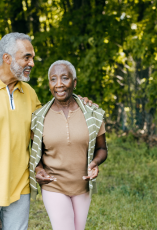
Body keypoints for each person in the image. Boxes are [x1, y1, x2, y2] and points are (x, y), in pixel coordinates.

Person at [0, 33, 95, 230]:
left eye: (32, 57)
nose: (32, 63)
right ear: (7, 58)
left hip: (20, 188)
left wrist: (80, 107)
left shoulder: (29, 92)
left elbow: (46, 133)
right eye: (27, 57)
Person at [29, 60, 108, 230]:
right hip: (53, 185)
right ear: (49, 84)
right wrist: (38, 169)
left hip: (82, 186)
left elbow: (102, 149)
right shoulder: (39, 118)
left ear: (74, 82)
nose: (59, 84)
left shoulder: (92, 114)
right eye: (53, 79)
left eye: (64, 78)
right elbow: (36, 153)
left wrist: (95, 163)